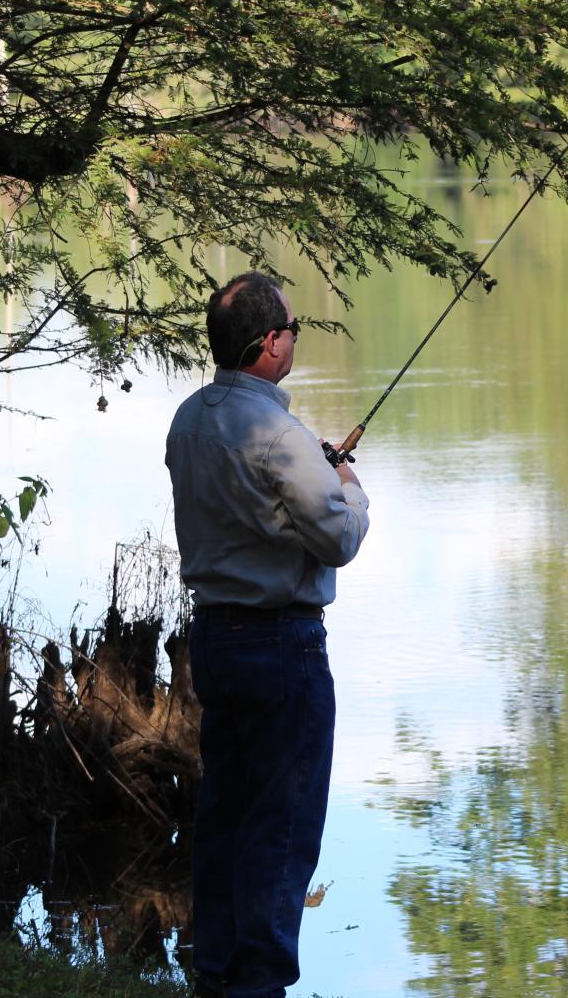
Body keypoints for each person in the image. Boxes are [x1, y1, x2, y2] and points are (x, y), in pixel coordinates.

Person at [165, 271, 372, 998]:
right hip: (282, 650)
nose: (293, 338)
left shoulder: (188, 420)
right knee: (280, 831)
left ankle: (214, 976)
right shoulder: (282, 436)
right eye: (292, 329)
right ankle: (259, 985)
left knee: (225, 812)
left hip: (215, 644)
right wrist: (345, 478)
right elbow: (338, 538)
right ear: (268, 344)